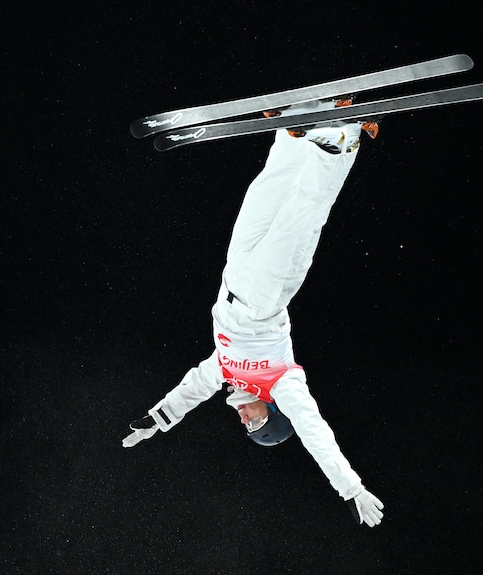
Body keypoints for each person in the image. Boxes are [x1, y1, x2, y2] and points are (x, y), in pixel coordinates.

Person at [122, 100, 385, 528]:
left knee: (261, 198)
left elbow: (191, 389)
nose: (244, 419)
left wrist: (158, 419)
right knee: (297, 220)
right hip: (264, 301)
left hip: (233, 280)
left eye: (246, 426)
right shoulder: (283, 385)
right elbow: (315, 433)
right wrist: (350, 486)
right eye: (255, 424)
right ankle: (343, 141)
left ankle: (292, 136)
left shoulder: (225, 373)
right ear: (273, 413)